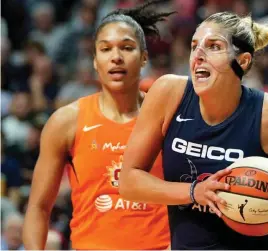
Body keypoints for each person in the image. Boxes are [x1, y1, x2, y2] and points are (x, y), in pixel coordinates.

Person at [119, 11, 268, 250]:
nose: (199, 55)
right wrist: (195, 191)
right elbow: (129, 181)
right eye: (195, 46)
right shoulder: (168, 93)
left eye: (213, 46)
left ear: (242, 61)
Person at [23, 1, 174, 249]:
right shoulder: (66, 122)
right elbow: (38, 207)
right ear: (95, 60)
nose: (116, 57)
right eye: (105, 49)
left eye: (127, 48)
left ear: (144, 57)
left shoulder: (170, 118)